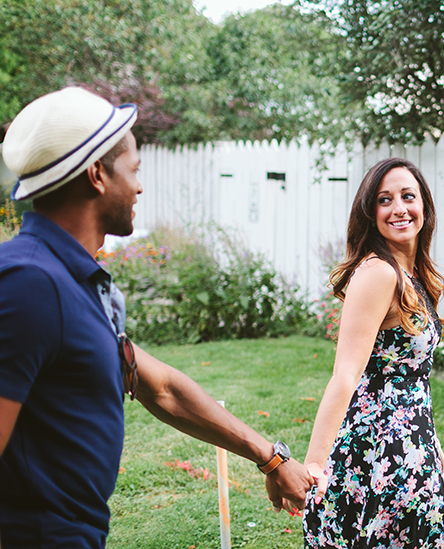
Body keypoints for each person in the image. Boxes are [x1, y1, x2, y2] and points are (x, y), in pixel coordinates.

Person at [0, 87, 314, 548]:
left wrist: (270, 458)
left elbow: (160, 387)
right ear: (96, 175)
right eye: (134, 171)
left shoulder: (74, 280)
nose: (141, 187)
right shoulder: (28, 282)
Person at [302, 158, 444, 548]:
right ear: (371, 213)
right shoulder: (379, 273)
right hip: (378, 451)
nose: (399, 208)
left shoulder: (410, 273)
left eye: (408, 196)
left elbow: (409, 376)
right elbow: (346, 375)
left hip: (409, 442)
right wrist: (316, 464)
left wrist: (429, 439)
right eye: (385, 200)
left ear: (425, 206)